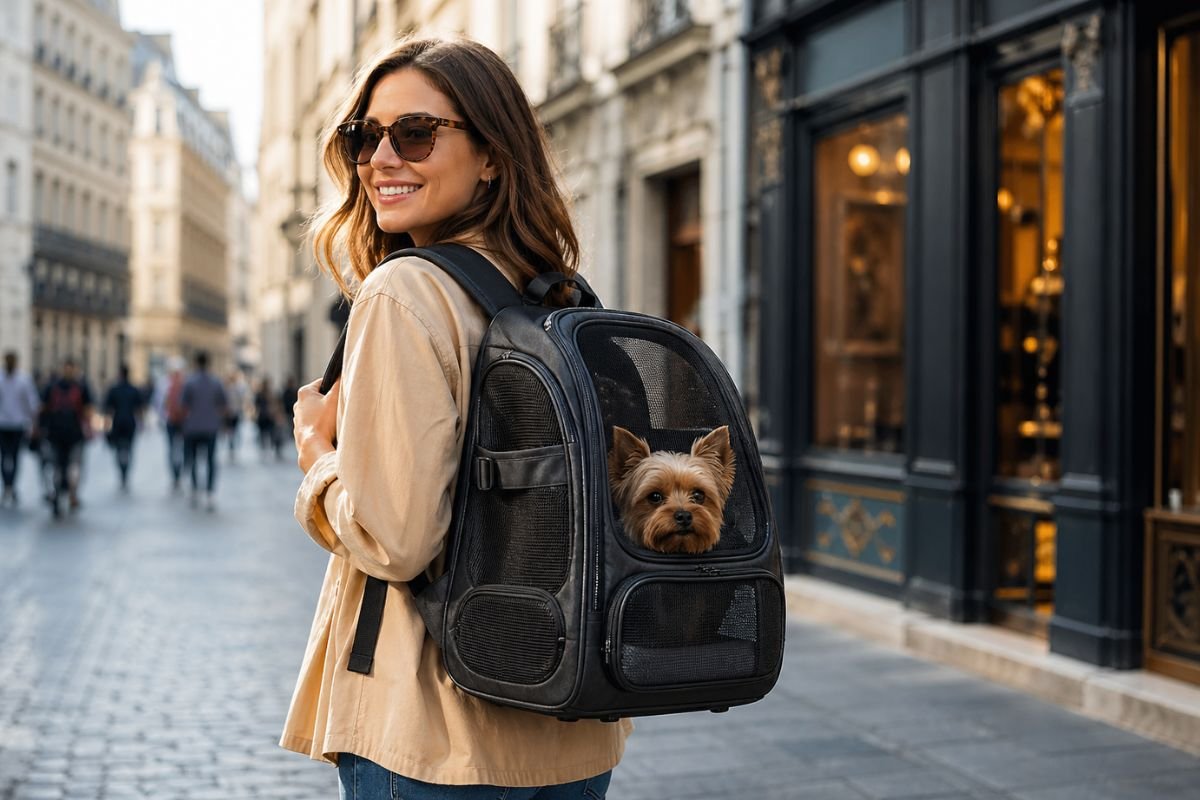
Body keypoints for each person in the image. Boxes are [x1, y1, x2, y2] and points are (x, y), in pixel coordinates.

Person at [285, 36, 629, 799]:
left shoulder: (404, 292)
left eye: (415, 133)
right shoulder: (560, 294)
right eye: (362, 137)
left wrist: (318, 456)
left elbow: (398, 539)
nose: (380, 158)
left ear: (492, 155)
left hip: (433, 728)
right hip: (569, 721)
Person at [40, 358, 93, 516]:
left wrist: (41, 428)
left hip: (54, 433)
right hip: (75, 434)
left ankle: (56, 494)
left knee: (56, 466)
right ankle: (72, 495)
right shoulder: (82, 386)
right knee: (74, 466)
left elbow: (43, 409)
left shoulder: (51, 386)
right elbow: (88, 410)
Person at [180, 351, 226, 511]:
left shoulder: (189, 382)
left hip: (192, 427)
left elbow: (183, 405)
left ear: (195, 363)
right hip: (210, 427)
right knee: (211, 460)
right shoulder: (216, 382)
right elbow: (223, 404)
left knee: (192, 459)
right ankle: (210, 492)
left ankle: (194, 488)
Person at [0, 351, 41, 507]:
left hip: (17, 425)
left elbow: (32, 404)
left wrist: (33, 423)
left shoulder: (23, 380)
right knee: (5, 457)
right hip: (3, 424)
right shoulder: (1, 379)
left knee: (14, 457)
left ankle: (11, 486)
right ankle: (8, 485)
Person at [103, 364, 145, 492]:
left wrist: (106, 425)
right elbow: (139, 409)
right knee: (129, 449)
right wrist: (142, 423)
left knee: (118, 449)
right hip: (130, 423)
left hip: (118, 423)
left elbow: (108, 409)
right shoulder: (134, 389)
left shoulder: (114, 389)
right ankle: (125, 473)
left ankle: (122, 473)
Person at [154, 357, 188, 492]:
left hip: (171, 421)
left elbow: (158, 404)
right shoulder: (185, 383)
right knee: (180, 448)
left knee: (173, 448)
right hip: (181, 422)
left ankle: (176, 475)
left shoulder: (164, 383)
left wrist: (162, 417)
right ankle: (178, 474)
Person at [222, 370, 249, 460]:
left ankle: (232, 444)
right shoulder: (229, 389)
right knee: (232, 429)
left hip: (233, 412)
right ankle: (232, 444)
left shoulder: (234, 389)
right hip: (231, 412)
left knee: (232, 429)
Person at [254, 377, 282, 460]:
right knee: (263, 434)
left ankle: (270, 448)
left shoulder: (271, 394)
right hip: (263, 417)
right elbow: (257, 405)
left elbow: (276, 404)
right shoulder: (259, 394)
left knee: (271, 434)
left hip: (269, 417)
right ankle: (264, 449)